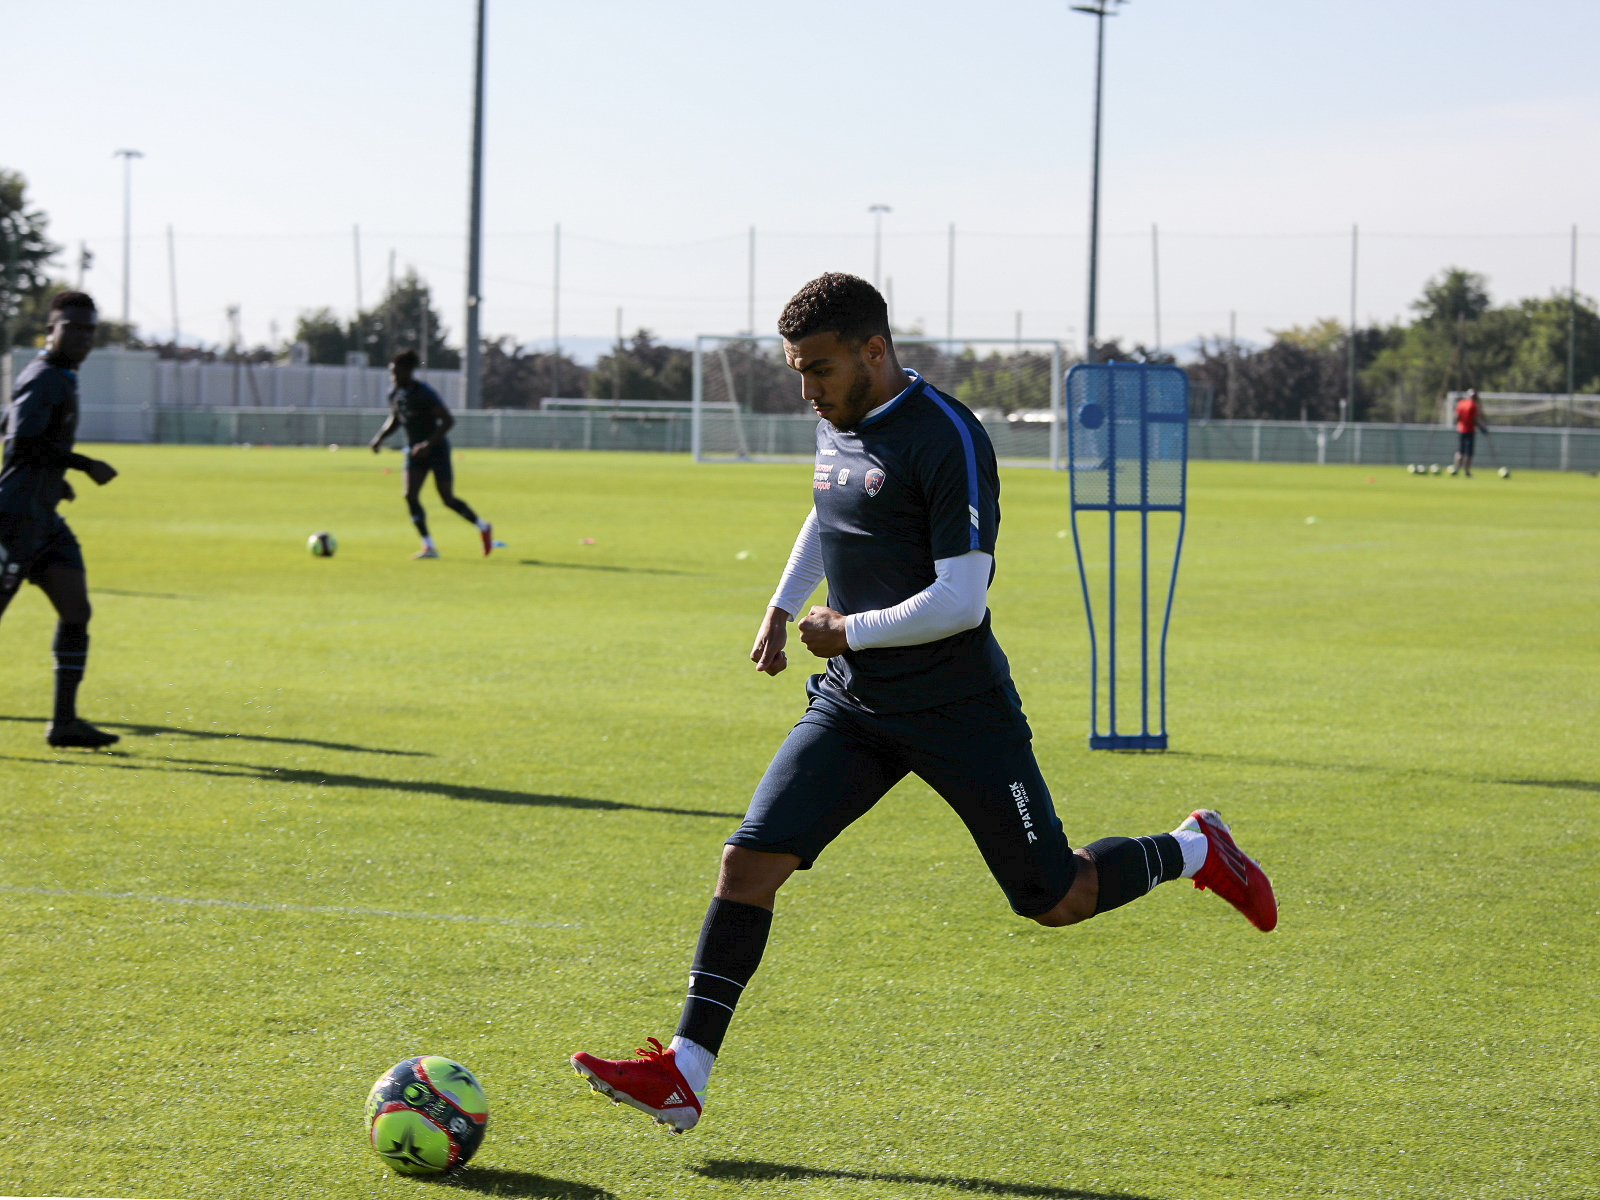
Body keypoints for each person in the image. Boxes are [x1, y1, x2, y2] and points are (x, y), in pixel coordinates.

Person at [570, 273, 1277, 1135]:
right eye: (798, 371)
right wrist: (782, 606)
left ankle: (1195, 849)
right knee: (749, 864)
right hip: (854, 707)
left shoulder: (948, 436)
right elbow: (825, 509)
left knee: (1055, 897)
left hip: (957, 708)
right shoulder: (837, 423)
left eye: (820, 370)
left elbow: (962, 599)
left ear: (875, 350)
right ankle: (686, 1071)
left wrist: (849, 629)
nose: (808, 391)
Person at [0, 292, 121, 748]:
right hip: (12, 520)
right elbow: (20, 444)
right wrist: (83, 464)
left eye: (90, 329)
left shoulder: (59, 376)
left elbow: (12, 430)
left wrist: (53, 480)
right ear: (51, 330)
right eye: (73, 328)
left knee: (76, 610)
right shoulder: (45, 377)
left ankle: (64, 723)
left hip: (42, 517)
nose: (83, 337)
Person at [369, 349, 492, 558]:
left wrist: (428, 444)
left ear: (408, 371)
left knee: (447, 499)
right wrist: (379, 438)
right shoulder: (396, 394)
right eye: (391, 373)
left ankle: (483, 526)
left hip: (437, 450)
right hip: (415, 453)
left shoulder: (424, 393)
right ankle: (429, 546)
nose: (393, 377)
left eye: (396, 372)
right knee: (410, 495)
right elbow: (397, 419)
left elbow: (448, 420)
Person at [1453, 387, 1486, 477]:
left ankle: (1456, 469)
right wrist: (1481, 428)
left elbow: (1457, 416)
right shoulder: (1473, 405)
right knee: (1468, 452)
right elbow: (1473, 419)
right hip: (1469, 430)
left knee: (1460, 451)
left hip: (1460, 429)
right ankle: (1466, 472)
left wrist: (1460, 423)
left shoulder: (1461, 403)